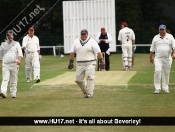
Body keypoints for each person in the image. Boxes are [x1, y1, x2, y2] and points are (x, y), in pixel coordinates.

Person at [68, 29, 105, 98]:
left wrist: (101, 61)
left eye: (85, 34)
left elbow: (98, 52)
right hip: (79, 64)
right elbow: (72, 52)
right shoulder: (76, 41)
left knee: (90, 78)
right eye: (82, 34)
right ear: (80, 34)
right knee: (78, 80)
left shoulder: (92, 41)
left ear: (87, 34)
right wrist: (71, 62)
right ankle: (86, 92)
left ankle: (89, 94)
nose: (83, 35)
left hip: (90, 63)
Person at [150, 24, 175, 94]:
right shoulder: (155, 37)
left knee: (166, 73)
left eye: (163, 29)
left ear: (165, 29)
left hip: (167, 58)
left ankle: (165, 88)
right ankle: (157, 88)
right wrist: (150, 57)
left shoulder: (170, 37)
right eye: (160, 29)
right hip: (158, 58)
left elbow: (174, 46)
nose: (161, 31)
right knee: (157, 71)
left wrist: (174, 53)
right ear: (159, 30)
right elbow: (152, 48)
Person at [0, 30, 23, 98]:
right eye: (8, 35)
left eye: (10, 35)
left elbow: (20, 54)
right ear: (6, 36)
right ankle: (3, 92)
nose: (9, 36)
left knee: (14, 79)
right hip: (5, 64)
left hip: (14, 64)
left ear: (13, 35)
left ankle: (13, 93)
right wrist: (0, 65)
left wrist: (19, 60)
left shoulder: (17, 44)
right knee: (5, 79)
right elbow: (0, 56)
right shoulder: (3, 44)